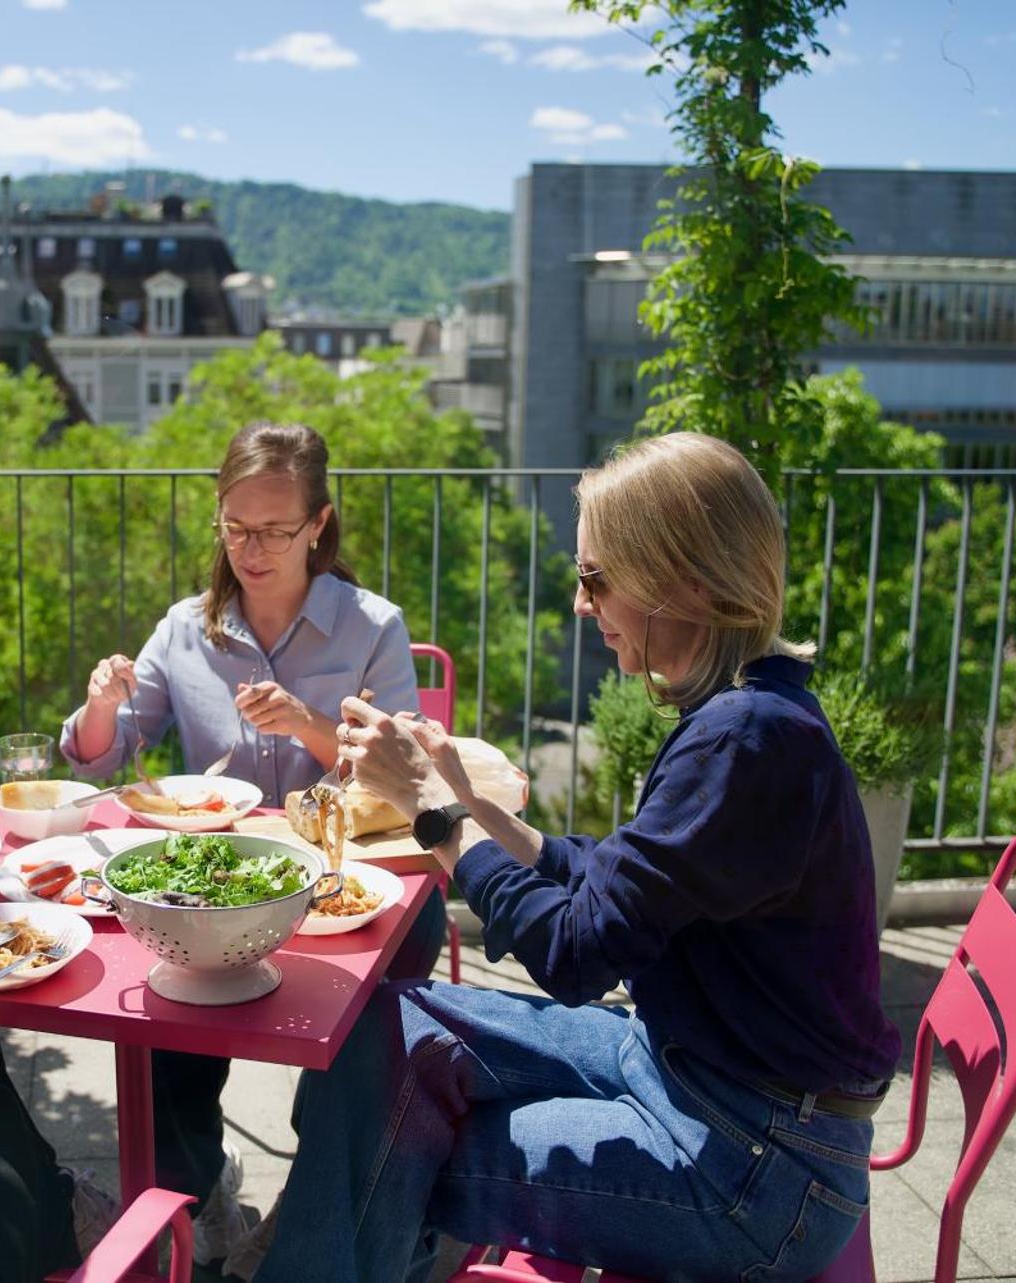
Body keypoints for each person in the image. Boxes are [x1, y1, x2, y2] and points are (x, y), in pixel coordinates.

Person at [251, 433, 902, 1283]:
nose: (581, 602)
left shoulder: (744, 742)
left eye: (596, 577)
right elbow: (621, 885)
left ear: (685, 582)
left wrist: (432, 810)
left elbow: (573, 954)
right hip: (693, 1074)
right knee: (378, 1031)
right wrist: (471, 800)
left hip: (756, 1164)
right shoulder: (746, 714)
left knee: (382, 1146)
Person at [61, 421, 447, 1264]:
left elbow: (404, 776)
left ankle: (316, 1206)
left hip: (349, 886)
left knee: (378, 1015)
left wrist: (312, 724)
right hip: (222, 890)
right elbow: (109, 750)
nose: (253, 549)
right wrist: (100, 704)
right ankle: (190, 1208)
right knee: (155, 1017)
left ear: (319, 523)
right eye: (235, 528)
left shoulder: (372, 626)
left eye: (275, 530)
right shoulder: (184, 629)